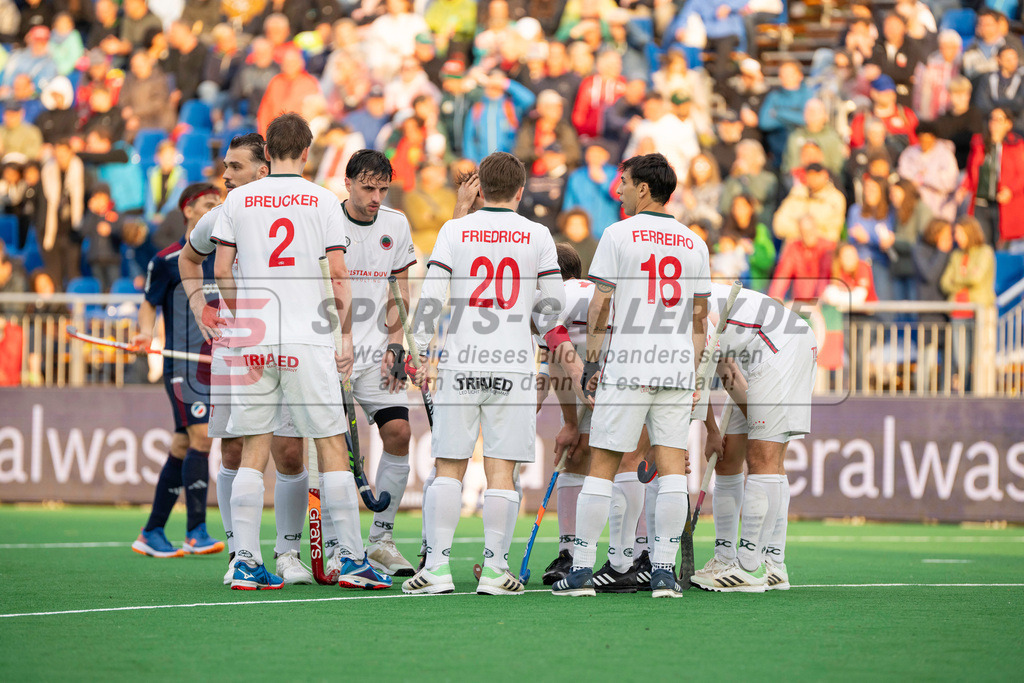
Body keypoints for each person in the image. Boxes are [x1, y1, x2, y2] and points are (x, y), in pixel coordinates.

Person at [211, 113, 391, 591]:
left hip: (255, 337)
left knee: (254, 448)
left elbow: (222, 270)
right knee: (331, 445)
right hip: (308, 339)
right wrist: (346, 339)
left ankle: (246, 561)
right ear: (307, 152)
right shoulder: (322, 201)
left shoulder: (238, 199)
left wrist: (244, 315)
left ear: (266, 152)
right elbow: (338, 276)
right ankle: (351, 560)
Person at [405, 151, 565, 596]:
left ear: (478, 190)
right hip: (513, 363)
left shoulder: (454, 229)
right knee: (501, 471)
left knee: (449, 466)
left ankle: (435, 568)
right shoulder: (538, 234)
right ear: (519, 190)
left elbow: (432, 298)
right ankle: (495, 570)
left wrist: (419, 351)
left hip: (460, 360)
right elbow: (552, 310)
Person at [553, 152, 710, 598]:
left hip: (630, 363)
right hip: (677, 365)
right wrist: (695, 372)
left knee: (602, 462)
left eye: (623, 182)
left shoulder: (619, 234)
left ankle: (581, 568)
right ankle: (662, 571)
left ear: (643, 188)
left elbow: (601, 304)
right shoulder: (694, 242)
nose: (617, 190)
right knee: (671, 470)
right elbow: (701, 319)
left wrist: (594, 362)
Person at [314, 149, 420, 579]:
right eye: (368, 187)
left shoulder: (395, 224)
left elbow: (400, 290)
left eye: (383, 188)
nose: (376, 196)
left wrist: (397, 345)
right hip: (330, 352)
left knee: (399, 432)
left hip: (377, 352)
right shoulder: (326, 222)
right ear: (349, 183)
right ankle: (342, 546)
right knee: (335, 451)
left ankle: (381, 539)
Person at [692, 281, 817, 592]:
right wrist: (714, 431)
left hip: (780, 349)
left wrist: (709, 428)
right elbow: (721, 367)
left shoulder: (678, 303)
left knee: (764, 458)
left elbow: (694, 378)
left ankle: (751, 565)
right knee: (729, 457)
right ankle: (734, 560)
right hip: (759, 354)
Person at [130, 182, 224, 559]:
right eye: (207, 205)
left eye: (219, 205)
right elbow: (149, 305)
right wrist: (143, 334)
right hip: (183, 364)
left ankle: (152, 530)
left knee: (184, 444)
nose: (214, 210)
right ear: (187, 210)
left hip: (217, 364)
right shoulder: (167, 260)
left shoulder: (225, 256)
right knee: (202, 439)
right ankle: (196, 531)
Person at [940, 217, 995, 391]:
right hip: (957, 312)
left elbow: (976, 278)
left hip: (977, 313)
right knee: (961, 359)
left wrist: (958, 278)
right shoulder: (956, 255)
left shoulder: (985, 252)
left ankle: (974, 392)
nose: (956, 237)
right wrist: (964, 277)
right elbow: (945, 282)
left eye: (959, 233)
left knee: (977, 359)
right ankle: (964, 391)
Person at [957, 106, 1024, 249]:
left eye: (999, 119)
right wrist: (963, 188)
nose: (994, 123)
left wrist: (1010, 190)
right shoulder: (979, 143)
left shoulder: (1016, 145)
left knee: (1001, 244)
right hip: (981, 202)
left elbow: (1021, 175)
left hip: (1003, 204)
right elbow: (971, 171)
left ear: (1008, 124)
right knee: (982, 244)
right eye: (992, 119)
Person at [847, 174, 896, 302]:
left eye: (873, 189)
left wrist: (868, 239)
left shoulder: (888, 213)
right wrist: (874, 239)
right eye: (866, 188)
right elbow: (852, 237)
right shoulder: (855, 210)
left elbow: (886, 242)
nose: (868, 193)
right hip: (858, 264)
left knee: (881, 303)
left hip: (879, 263)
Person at [897, 121, 959, 221]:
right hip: (915, 205)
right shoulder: (909, 153)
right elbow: (903, 175)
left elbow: (949, 181)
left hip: (939, 207)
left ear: (934, 138)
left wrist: (925, 177)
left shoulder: (945, 155)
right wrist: (917, 178)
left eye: (928, 140)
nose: (924, 143)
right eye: (922, 140)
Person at [773, 163, 847, 244]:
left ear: (825, 175)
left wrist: (801, 231)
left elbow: (832, 232)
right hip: (795, 248)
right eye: (810, 175)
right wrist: (805, 231)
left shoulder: (835, 198)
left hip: (823, 251)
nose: (813, 178)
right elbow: (779, 226)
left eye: (817, 175)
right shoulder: (796, 194)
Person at [768, 214, 833, 301]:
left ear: (816, 229)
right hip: (800, 303)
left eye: (810, 230)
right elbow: (782, 277)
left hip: (825, 303)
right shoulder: (794, 248)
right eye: (804, 231)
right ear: (800, 232)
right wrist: (775, 299)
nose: (808, 234)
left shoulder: (828, 248)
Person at [889, 178, 932, 302]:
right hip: (899, 269)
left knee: (913, 313)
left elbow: (922, 243)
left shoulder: (921, 210)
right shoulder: (897, 212)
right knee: (899, 314)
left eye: (895, 194)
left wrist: (894, 241)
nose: (892, 198)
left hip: (915, 270)